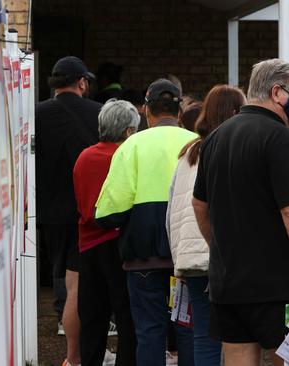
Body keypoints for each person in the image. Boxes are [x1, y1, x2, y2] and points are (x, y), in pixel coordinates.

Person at [192, 59, 289, 366]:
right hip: (278, 285)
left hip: (229, 283)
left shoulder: (216, 138)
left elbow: (199, 206)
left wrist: (224, 250)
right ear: (278, 93)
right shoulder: (278, 138)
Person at [95, 79, 198, 366]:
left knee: (149, 331)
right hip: (187, 258)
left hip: (143, 257)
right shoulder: (197, 143)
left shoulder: (132, 146)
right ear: (179, 111)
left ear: (145, 110)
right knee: (188, 330)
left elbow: (107, 213)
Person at [167, 84, 246, 365]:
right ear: (235, 112)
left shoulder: (187, 154)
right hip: (220, 256)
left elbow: (171, 209)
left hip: (190, 258)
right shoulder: (231, 149)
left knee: (204, 333)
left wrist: (179, 256)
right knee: (237, 335)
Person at [35, 55, 100, 366]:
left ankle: (69, 335)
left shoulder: (36, 113)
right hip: (92, 210)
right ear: (82, 82)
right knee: (86, 281)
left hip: (50, 210)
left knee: (61, 272)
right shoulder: (98, 112)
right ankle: (81, 351)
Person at [73, 100, 139, 366]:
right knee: (126, 316)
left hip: (87, 244)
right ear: (127, 132)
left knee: (92, 316)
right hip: (117, 242)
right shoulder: (125, 156)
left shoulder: (84, 156)